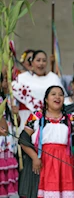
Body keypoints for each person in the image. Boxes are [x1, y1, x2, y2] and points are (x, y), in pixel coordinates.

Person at [19, 86, 74, 198]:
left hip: (65, 164)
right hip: (43, 162)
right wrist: (34, 157)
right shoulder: (37, 116)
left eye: (61, 94)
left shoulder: (70, 118)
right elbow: (23, 138)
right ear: (46, 99)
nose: (57, 97)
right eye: (53, 94)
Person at [12, 50, 65, 136]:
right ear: (32, 62)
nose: (41, 63)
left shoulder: (53, 78)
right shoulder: (22, 78)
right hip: (26, 116)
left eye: (44, 60)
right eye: (38, 60)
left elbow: (62, 98)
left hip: (49, 118)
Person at [0, 70, 19, 198]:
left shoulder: (7, 99)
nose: (7, 82)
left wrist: (15, 114)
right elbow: (4, 127)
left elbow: (13, 123)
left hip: (7, 146)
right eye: (5, 79)